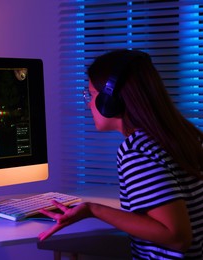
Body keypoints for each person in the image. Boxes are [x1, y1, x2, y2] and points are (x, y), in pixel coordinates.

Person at [38, 49, 203, 259]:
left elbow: (177, 236)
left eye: (92, 94)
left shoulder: (137, 151)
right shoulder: (180, 135)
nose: (89, 103)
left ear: (111, 100)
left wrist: (94, 210)